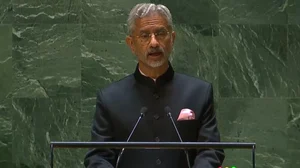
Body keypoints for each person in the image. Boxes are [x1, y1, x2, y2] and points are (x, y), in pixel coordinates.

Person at [84, 3, 225, 168]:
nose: (154, 43)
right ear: (131, 44)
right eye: (144, 35)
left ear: (172, 39)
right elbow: (98, 157)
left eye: (160, 33)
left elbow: (211, 151)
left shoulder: (199, 93)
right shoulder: (110, 98)